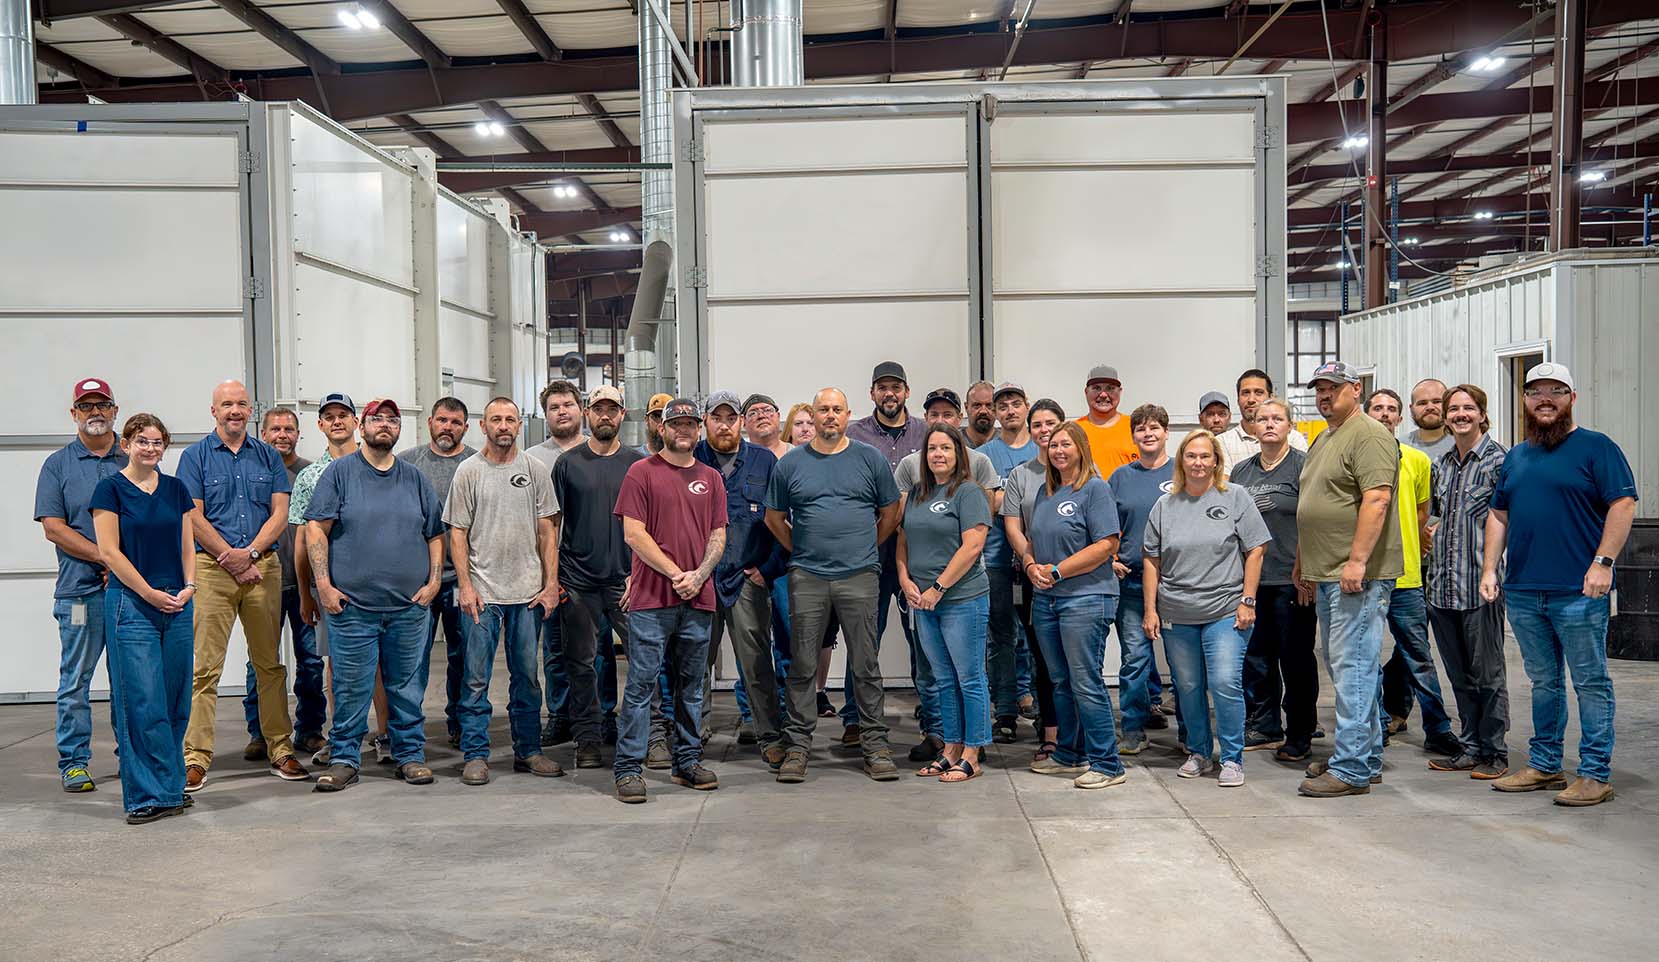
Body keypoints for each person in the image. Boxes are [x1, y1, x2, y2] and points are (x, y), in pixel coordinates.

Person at [1483, 363, 1635, 807]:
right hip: (1525, 590)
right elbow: (1499, 514)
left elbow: (1623, 504)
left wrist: (1603, 563)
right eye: (1535, 392)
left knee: (1590, 682)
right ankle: (1546, 765)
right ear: (1525, 401)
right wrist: (1491, 568)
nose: (1544, 398)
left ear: (1571, 398)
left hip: (1579, 590)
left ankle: (1594, 774)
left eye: (1556, 391)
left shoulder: (1596, 447)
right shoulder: (1518, 456)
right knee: (1544, 682)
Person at [305, 398, 446, 791]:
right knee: (352, 687)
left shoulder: (414, 478)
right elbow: (316, 529)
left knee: (406, 687)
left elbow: (435, 533)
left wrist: (433, 583)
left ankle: (410, 755)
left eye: (392, 419)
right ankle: (345, 758)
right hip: (353, 608)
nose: (385, 425)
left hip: (407, 608)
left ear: (400, 429)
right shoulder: (340, 473)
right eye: (376, 418)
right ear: (362, 426)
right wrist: (324, 587)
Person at [765, 387, 903, 783]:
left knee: (866, 664)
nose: (829, 416)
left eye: (836, 410)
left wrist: (865, 547)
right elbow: (774, 519)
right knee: (803, 664)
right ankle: (797, 748)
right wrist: (801, 549)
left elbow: (890, 512)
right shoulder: (791, 465)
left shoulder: (869, 459)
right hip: (807, 577)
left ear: (847, 415)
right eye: (822, 409)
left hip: (859, 575)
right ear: (814, 414)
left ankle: (875, 745)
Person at [178, 380, 306, 790]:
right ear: (213, 410)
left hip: (261, 568)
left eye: (241, 404)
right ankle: (195, 757)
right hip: (212, 570)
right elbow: (192, 517)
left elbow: (280, 514)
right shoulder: (194, 458)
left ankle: (281, 750)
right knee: (204, 669)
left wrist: (248, 554)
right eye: (227, 404)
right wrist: (229, 558)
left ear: (250, 411)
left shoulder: (268, 456)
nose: (235, 410)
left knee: (269, 664)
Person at [1293, 361, 1402, 799]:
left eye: (1333, 388)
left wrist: (1357, 561)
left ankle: (1352, 768)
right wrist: (1303, 560)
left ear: (1355, 390)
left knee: (1353, 667)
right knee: (1350, 666)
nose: (1324, 395)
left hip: (1355, 575)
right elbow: (1313, 502)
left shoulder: (1371, 434)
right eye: (1319, 388)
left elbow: (1376, 499)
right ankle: (1365, 755)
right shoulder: (1325, 437)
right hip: (1327, 571)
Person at [613, 398, 730, 803]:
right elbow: (634, 534)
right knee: (643, 686)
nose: (684, 429)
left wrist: (698, 576)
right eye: (675, 423)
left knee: (692, 686)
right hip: (652, 599)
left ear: (699, 429)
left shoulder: (711, 478)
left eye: (690, 423)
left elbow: (718, 534)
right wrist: (675, 573)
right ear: (661, 429)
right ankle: (628, 768)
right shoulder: (641, 473)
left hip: (698, 598)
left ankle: (687, 762)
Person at [446, 398, 564, 786]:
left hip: (527, 595)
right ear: (483, 425)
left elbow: (548, 529)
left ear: (518, 425)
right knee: (475, 678)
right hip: (483, 594)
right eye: (495, 419)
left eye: (510, 419)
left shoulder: (534, 469)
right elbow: (457, 532)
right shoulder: (468, 472)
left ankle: (528, 750)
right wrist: (465, 585)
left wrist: (550, 584)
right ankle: (476, 754)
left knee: (527, 677)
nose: (503, 425)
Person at [1142, 430, 1270, 788]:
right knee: (1188, 685)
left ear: (1216, 461)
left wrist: (1248, 599)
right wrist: (1150, 610)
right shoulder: (1165, 505)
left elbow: (1256, 549)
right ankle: (1199, 752)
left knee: (1225, 682)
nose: (1198, 463)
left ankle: (1231, 757)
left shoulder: (1235, 497)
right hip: (1177, 612)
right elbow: (1150, 559)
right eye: (1191, 456)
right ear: (1181, 460)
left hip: (1225, 609)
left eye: (1205, 456)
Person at [90, 414, 198, 824]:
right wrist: (149, 593)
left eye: (157, 443)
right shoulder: (110, 490)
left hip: (178, 600)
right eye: (142, 442)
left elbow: (187, 544)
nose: (150, 449)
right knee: (141, 701)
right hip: (132, 604)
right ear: (126, 445)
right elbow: (110, 553)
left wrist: (189, 586)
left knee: (174, 700)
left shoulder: (175, 489)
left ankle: (170, 788)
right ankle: (145, 796)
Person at [891, 386, 1002, 761]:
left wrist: (938, 587)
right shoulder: (918, 492)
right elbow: (903, 538)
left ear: (958, 454)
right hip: (922, 601)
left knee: (969, 678)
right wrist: (906, 580)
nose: (939, 454)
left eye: (946, 448)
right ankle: (951, 747)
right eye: (933, 449)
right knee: (942, 678)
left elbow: (973, 546)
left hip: (961, 599)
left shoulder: (969, 492)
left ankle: (972, 752)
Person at [1022, 421, 1126, 790]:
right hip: (1047, 600)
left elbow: (1107, 545)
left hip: (1086, 597)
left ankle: (1107, 762)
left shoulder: (1094, 489)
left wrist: (1057, 571)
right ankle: (1069, 752)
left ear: (1081, 447)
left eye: (1066, 444)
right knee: (1061, 681)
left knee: (1086, 681)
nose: (1059, 450)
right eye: (1053, 445)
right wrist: (1032, 565)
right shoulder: (1045, 492)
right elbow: (1033, 541)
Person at [35, 377, 126, 794]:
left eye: (102, 405)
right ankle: (74, 761)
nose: (95, 412)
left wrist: (128, 568)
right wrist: (104, 556)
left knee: (130, 678)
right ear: (74, 414)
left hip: (129, 591)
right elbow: (54, 528)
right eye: (86, 406)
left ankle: (132, 755)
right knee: (76, 678)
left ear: (114, 411)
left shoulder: (134, 457)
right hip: (79, 593)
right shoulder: (58, 465)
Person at [553, 386, 648, 768]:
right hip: (578, 582)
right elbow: (553, 525)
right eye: (598, 409)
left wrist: (638, 575)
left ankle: (642, 735)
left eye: (612, 409)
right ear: (588, 414)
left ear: (622, 414)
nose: (605, 415)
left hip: (627, 582)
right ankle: (588, 738)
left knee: (644, 660)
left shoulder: (637, 465)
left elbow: (650, 526)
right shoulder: (568, 464)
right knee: (581, 663)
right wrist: (554, 577)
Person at [291, 392, 387, 766]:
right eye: (328, 416)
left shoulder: (380, 466)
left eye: (343, 415)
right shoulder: (310, 477)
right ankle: (342, 736)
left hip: (378, 586)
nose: (337, 421)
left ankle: (386, 733)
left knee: (381, 663)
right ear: (319, 424)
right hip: (333, 588)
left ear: (356, 421)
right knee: (339, 666)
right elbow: (302, 541)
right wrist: (306, 592)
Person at [1365, 389, 1459, 757]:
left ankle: (1437, 728)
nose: (1385, 414)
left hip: (1406, 577)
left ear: (1400, 418)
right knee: (1366, 658)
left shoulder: (1417, 460)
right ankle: (1375, 725)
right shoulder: (1354, 455)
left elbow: (1422, 514)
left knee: (1418, 656)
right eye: (1378, 408)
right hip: (1367, 575)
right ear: (1367, 414)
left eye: (1391, 409)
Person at [695, 391, 786, 765]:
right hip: (700, 579)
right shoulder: (692, 459)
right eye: (716, 418)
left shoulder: (764, 461)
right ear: (706, 423)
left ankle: (770, 736)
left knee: (756, 662)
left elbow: (783, 520)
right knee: (695, 662)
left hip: (746, 579)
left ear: (741, 422)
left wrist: (768, 570)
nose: (724, 424)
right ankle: (691, 738)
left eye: (730, 417)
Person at [1425, 384, 1510, 779]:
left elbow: (1509, 521)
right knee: (1459, 674)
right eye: (1454, 409)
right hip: (1442, 587)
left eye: (1468, 408)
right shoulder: (1440, 465)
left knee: (1488, 674)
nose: (1460, 414)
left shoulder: (1499, 462)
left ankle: (1495, 751)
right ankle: (1470, 745)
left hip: (1479, 585)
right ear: (1446, 416)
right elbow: (1437, 518)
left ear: (1482, 414)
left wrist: (1493, 570)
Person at [1230, 398, 1320, 762]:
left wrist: (1309, 573)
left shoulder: (1304, 466)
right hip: (1252, 583)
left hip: (1292, 580)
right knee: (1255, 659)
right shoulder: (1240, 472)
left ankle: (1300, 731)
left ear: (1289, 425)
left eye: (1276, 418)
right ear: (1252, 426)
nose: (1268, 424)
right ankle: (1266, 725)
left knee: (1295, 659)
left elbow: (1314, 521)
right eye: (1261, 419)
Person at [843, 361, 926, 746]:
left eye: (896, 387)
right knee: (864, 636)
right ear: (872, 393)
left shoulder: (927, 433)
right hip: (869, 551)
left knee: (922, 639)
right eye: (882, 387)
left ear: (907, 392)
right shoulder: (853, 434)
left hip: (916, 551)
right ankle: (853, 718)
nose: (889, 394)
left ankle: (932, 714)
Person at [242, 408, 324, 763]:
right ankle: (260, 733)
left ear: (298, 433)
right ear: (263, 432)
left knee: (310, 661)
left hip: (303, 582)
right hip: (264, 581)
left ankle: (310, 730)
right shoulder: (255, 472)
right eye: (275, 428)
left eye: (289, 429)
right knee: (261, 662)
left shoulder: (311, 473)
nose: (282, 434)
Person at [401, 397, 477, 748]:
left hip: (464, 580)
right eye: (442, 420)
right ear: (430, 421)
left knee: (462, 657)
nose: (448, 427)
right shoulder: (407, 464)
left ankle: (459, 723)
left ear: (466, 426)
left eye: (456, 422)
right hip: (419, 582)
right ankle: (408, 730)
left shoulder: (476, 464)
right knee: (413, 660)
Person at [1106, 404, 1176, 756]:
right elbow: (1103, 525)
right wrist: (1112, 558)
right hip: (1132, 582)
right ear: (1133, 435)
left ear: (1166, 432)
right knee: (1135, 657)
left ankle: (1191, 733)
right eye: (1141, 429)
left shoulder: (1183, 470)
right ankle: (1132, 728)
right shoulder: (1120, 477)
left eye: (1155, 428)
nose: (1148, 434)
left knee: (1182, 662)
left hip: (1179, 581)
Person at [525, 381, 591, 749]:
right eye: (554, 407)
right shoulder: (532, 458)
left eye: (568, 404)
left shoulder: (600, 450)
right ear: (545, 414)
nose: (562, 411)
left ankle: (600, 714)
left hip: (591, 568)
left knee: (594, 649)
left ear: (581, 409)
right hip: (546, 569)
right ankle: (560, 715)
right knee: (554, 648)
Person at [1002, 400, 1067, 765]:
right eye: (1038, 424)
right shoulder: (1021, 476)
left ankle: (1079, 733)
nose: (1045, 430)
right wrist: (1030, 565)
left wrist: (1062, 568)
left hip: (1075, 581)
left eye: (1051, 423)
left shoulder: (1084, 474)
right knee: (1042, 658)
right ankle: (1051, 734)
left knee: (1073, 660)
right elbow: (1013, 525)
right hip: (1032, 579)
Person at [977, 381, 1038, 743]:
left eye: (1016, 403)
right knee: (1000, 636)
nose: (1010, 410)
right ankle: (1005, 711)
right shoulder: (985, 455)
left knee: (1038, 635)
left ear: (1026, 406)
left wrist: (1005, 499)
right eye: (1003, 406)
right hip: (997, 557)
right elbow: (986, 505)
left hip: (1039, 559)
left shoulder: (1041, 448)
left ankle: (1040, 705)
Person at [773, 402, 841, 717]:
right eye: (798, 423)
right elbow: (775, 516)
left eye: (808, 423)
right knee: (792, 633)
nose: (805, 429)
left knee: (826, 631)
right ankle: (792, 698)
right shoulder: (783, 463)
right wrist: (796, 545)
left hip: (829, 564)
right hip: (789, 562)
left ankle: (820, 691)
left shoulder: (833, 461)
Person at [1217, 369, 1307, 478]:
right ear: (1238, 399)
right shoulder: (1223, 442)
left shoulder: (1294, 438)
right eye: (1245, 393)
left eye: (1258, 392)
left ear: (1271, 397)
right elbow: (1225, 485)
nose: (1251, 399)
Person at [1074, 364, 1137, 480]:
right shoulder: (1074, 430)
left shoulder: (1136, 427)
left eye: (1110, 388)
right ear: (1086, 392)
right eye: (1096, 388)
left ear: (1120, 391)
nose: (1103, 394)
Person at [1405, 378, 1455, 461]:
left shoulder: (1463, 444)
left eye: (1437, 401)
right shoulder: (1399, 447)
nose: (1430, 407)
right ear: (1411, 408)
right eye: (1422, 403)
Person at [743, 394, 791, 461]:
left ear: (778, 416)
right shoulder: (737, 459)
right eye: (753, 413)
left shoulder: (797, 455)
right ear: (743, 422)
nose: (761, 416)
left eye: (767, 410)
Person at [963, 380, 998, 448]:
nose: (983, 411)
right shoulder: (954, 441)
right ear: (966, 407)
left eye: (989, 405)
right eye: (977, 405)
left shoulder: (1007, 441)